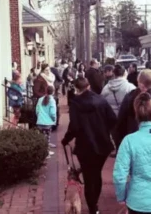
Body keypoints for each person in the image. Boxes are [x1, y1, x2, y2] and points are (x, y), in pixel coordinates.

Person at [62, 77, 117, 214]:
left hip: (84, 145)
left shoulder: (75, 103)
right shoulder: (101, 100)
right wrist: (105, 130)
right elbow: (113, 119)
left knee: (88, 175)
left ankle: (92, 206)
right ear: (89, 86)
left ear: (77, 89)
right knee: (96, 173)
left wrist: (66, 139)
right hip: (102, 144)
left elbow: (74, 127)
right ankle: (95, 204)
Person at [36, 85, 57, 154]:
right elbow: (52, 113)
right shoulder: (52, 100)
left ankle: (41, 152)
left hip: (40, 121)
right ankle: (46, 152)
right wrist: (54, 120)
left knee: (41, 138)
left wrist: (39, 117)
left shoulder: (40, 99)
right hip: (48, 123)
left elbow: (37, 110)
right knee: (47, 137)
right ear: (53, 92)